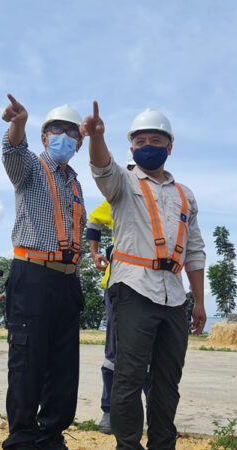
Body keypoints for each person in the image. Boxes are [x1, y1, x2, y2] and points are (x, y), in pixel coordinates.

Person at [83, 102, 207, 450]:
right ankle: (128, 446)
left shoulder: (185, 195)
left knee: (168, 380)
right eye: (140, 141)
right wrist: (96, 137)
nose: (148, 146)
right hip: (133, 289)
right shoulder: (123, 182)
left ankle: (163, 445)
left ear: (170, 146)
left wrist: (198, 301)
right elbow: (101, 167)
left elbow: (195, 251)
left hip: (174, 296)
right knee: (129, 376)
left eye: (156, 140)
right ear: (132, 147)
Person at [0, 95, 87, 450]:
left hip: (67, 280)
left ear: (80, 143)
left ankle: (51, 437)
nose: (64, 136)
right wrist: (17, 124)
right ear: (43, 136)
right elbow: (12, 153)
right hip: (32, 275)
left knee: (63, 366)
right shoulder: (32, 168)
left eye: (71, 132)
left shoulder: (75, 184)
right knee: (28, 360)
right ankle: (22, 439)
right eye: (56, 129)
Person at [86, 151, 150, 435]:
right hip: (118, 286)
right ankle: (109, 411)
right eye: (131, 170)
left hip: (152, 286)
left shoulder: (162, 199)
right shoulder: (116, 198)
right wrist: (94, 252)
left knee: (150, 352)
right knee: (114, 350)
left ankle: (155, 413)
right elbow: (93, 221)